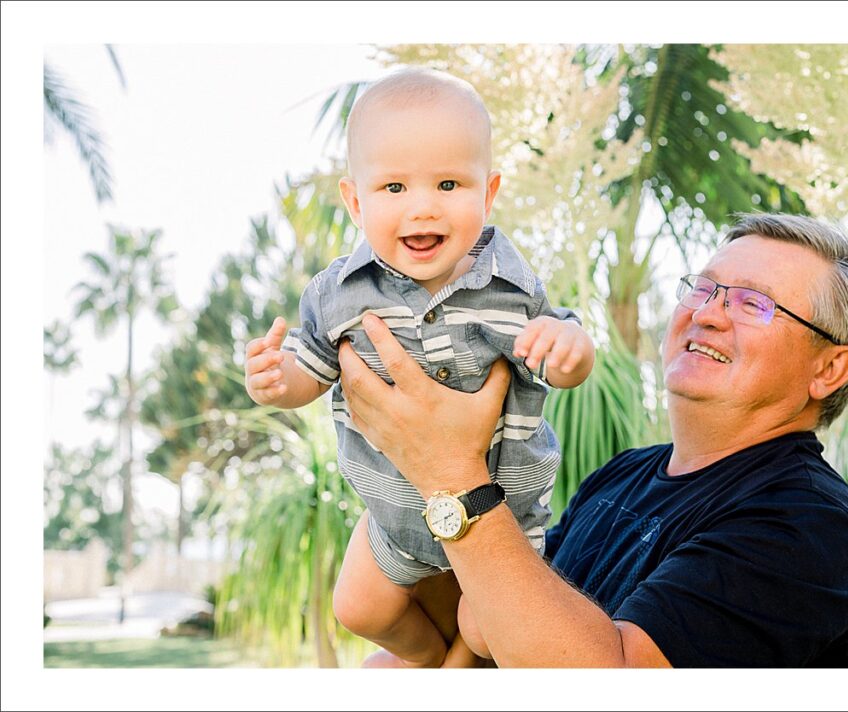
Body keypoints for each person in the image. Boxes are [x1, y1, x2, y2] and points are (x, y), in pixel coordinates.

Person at [336, 212, 848, 667]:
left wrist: (451, 473)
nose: (708, 314)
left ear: (829, 369)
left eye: (753, 304)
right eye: (703, 290)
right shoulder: (626, 472)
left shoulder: (807, 523)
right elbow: (507, 617)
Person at [243, 68, 595, 668]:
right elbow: (313, 366)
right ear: (355, 201)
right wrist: (278, 382)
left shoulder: (511, 291)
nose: (423, 207)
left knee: (485, 631)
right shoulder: (339, 294)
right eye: (395, 189)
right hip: (393, 515)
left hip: (499, 518)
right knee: (359, 609)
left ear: (488, 194)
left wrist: (568, 348)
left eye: (450, 183)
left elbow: (562, 348)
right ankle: (432, 666)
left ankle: (458, 665)